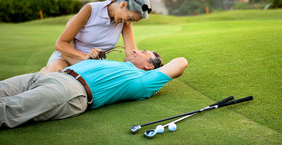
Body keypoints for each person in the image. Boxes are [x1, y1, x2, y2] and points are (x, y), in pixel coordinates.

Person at [0, 49, 188, 128]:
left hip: (71, 90)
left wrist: (157, 71)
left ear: (148, 66)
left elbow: (181, 62)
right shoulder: (120, 65)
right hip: (52, 75)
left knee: (9, 109)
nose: (135, 50)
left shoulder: (143, 80)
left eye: (142, 52)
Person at [41, 0, 152, 73]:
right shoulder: (91, 9)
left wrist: (150, 66)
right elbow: (60, 44)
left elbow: (131, 53)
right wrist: (85, 56)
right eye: (130, 18)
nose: (129, 23)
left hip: (91, 67)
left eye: (133, 21)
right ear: (122, 5)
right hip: (66, 58)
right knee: (55, 75)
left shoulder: (125, 23)